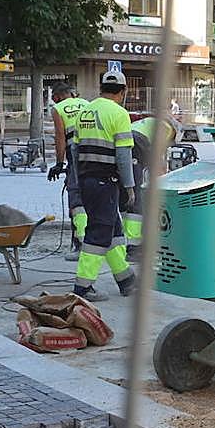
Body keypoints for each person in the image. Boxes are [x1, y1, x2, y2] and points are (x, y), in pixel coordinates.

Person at [71, 71, 137, 301]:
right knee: (99, 233)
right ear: (122, 91)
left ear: (101, 89)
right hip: (106, 182)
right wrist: (130, 186)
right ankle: (83, 287)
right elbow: (123, 154)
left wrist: (78, 179)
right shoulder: (119, 114)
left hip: (88, 181)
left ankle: (125, 279)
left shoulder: (85, 111)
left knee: (114, 231)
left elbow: (75, 149)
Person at [124, 114, 177, 261]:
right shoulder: (167, 129)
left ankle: (128, 242)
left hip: (125, 140)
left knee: (130, 189)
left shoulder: (148, 122)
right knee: (137, 195)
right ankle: (135, 248)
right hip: (138, 142)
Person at [47, 82, 89, 260]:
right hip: (94, 152)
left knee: (76, 198)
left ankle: (80, 243)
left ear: (56, 97)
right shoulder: (87, 104)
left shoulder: (58, 109)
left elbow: (60, 137)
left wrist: (59, 163)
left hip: (75, 154)